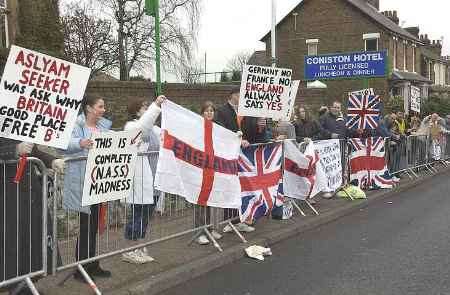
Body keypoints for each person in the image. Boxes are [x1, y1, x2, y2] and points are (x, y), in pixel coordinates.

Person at [0, 140, 63, 295]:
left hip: (28, 192)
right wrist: (14, 149)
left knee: (29, 238)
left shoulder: (20, 121)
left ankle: (25, 282)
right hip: (6, 194)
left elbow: (33, 150)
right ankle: (13, 284)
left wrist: (51, 161)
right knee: (10, 240)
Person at [61, 94, 112, 281]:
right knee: (85, 226)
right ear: (89, 108)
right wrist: (79, 143)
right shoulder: (76, 126)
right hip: (83, 183)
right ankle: (81, 268)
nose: (103, 110)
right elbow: (62, 144)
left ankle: (92, 263)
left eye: (103, 107)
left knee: (93, 225)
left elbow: (117, 144)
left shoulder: (103, 128)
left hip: (99, 183)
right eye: (100, 106)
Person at [121, 96, 165, 263]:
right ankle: (129, 249)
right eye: (144, 107)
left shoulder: (155, 129)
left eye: (148, 107)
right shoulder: (131, 126)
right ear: (136, 110)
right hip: (141, 179)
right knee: (138, 214)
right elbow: (142, 129)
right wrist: (156, 106)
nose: (147, 109)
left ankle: (139, 245)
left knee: (146, 215)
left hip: (154, 178)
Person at [215, 87, 254, 233]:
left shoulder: (243, 111)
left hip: (242, 156)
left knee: (240, 188)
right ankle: (229, 221)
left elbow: (250, 130)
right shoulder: (222, 110)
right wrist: (236, 137)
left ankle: (239, 220)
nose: (241, 97)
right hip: (228, 155)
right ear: (232, 96)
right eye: (239, 95)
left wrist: (260, 127)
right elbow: (220, 129)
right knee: (229, 187)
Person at [194, 101, 223, 245]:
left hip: (212, 167)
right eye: (206, 110)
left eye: (212, 110)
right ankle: (200, 231)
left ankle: (210, 229)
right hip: (201, 168)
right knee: (201, 200)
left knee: (210, 199)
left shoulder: (217, 127)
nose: (209, 113)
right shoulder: (197, 126)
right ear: (202, 113)